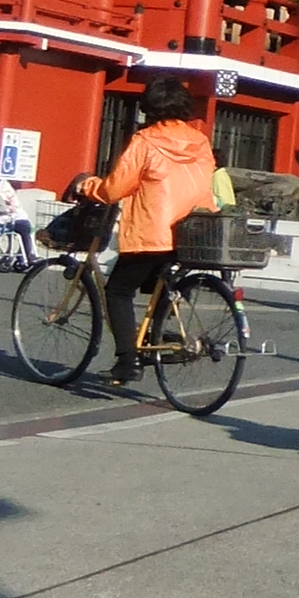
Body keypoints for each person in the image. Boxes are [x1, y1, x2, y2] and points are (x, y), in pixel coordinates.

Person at [78, 75, 219, 391]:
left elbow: (114, 189)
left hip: (153, 232)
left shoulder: (145, 141)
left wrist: (88, 186)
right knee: (162, 285)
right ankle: (155, 338)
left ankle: (128, 360)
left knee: (118, 291)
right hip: (192, 231)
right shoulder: (200, 141)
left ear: (149, 107)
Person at [0, 174, 36, 268]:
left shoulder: (4, 185)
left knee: (26, 227)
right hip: (4, 219)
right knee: (24, 227)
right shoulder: (2, 189)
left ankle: (25, 257)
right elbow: (2, 208)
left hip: (11, 217)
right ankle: (27, 257)